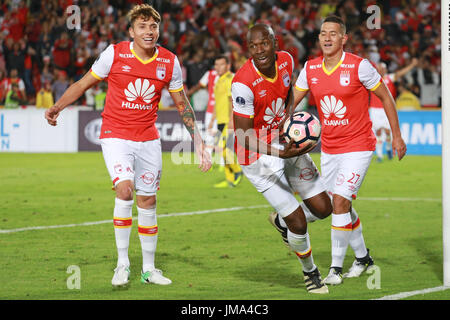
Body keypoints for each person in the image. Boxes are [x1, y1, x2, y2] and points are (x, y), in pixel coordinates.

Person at [45, 4, 211, 288]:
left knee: (148, 201)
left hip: (148, 138)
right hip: (115, 134)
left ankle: (149, 269)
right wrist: (57, 107)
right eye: (143, 26)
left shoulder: (170, 62)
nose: (149, 31)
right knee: (124, 188)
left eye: (153, 26)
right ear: (131, 31)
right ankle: (122, 263)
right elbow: (84, 83)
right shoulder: (115, 53)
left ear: (159, 30)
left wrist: (199, 142)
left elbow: (182, 104)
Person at [293, 15, 407, 285]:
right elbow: (290, 104)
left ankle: (335, 269)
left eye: (333, 33)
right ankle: (363, 258)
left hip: (359, 145)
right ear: (318, 38)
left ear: (343, 39)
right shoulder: (309, 69)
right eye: (323, 33)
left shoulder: (359, 66)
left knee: (341, 202)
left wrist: (397, 136)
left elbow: (386, 97)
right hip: (330, 149)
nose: (327, 38)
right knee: (339, 206)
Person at [232, 24, 332, 294]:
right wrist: (280, 152)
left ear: (275, 42)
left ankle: (280, 221)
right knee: (297, 221)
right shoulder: (243, 83)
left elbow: (288, 94)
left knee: (325, 208)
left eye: (264, 43)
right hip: (258, 157)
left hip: (285, 142)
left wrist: (292, 121)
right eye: (253, 46)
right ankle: (310, 272)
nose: (259, 51)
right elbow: (242, 136)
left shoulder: (286, 60)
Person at [369, 58, 417, 162]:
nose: (380, 70)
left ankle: (388, 149)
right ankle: (380, 156)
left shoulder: (389, 78)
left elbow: (400, 73)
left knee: (387, 131)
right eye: (379, 68)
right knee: (377, 132)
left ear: (385, 70)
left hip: (386, 109)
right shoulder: (371, 79)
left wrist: (412, 66)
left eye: (382, 69)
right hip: (374, 109)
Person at [210, 55, 242, 188]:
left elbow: (232, 101)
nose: (218, 67)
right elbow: (219, 102)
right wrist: (212, 119)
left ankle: (237, 170)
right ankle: (230, 180)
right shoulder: (219, 80)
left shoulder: (229, 79)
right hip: (220, 120)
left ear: (228, 66)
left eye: (221, 64)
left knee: (224, 149)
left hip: (227, 120)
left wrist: (231, 120)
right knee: (222, 150)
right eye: (216, 64)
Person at [187, 68, 218, 160]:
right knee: (214, 135)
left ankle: (216, 161)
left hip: (217, 109)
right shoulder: (229, 75)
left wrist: (189, 93)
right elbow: (201, 85)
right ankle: (213, 160)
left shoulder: (210, 74)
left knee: (213, 135)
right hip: (213, 109)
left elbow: (200, 85)